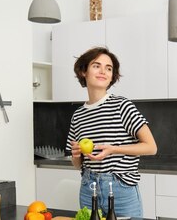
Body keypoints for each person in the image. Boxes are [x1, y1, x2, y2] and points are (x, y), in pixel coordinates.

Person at [65, 47, 157, 218]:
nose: (103, 71)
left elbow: (151, 147)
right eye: (96, 66)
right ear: (84, 71)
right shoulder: (78, 115)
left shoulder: (122, 106)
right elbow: (77, 164)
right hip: (88, 187)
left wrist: (114, 149)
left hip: (120, 189)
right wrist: (76, 154)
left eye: (108, 68)